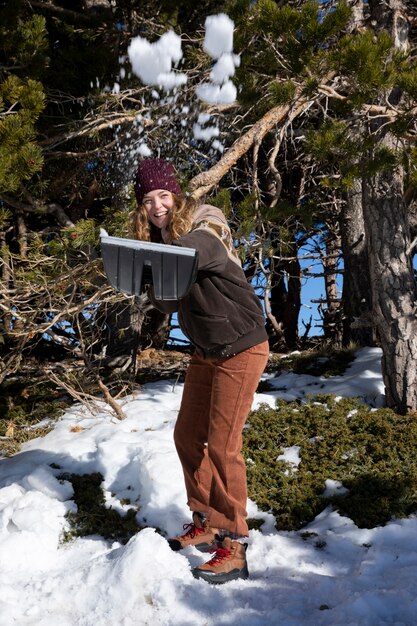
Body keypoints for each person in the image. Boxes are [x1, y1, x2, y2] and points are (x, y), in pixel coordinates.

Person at [132, 158, 269, 584]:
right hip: (206, 350)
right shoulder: (162, 243)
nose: (157, 206)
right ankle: (206, 521)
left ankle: (234, 543)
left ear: (177, 195)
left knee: (223, 445)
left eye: (163, 196)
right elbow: (170, 303)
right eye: (149, 199)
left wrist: (162, 259)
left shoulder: (206, 220)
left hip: (242, 346)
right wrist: (145, 278)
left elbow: (205, 247)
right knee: (188, 436)